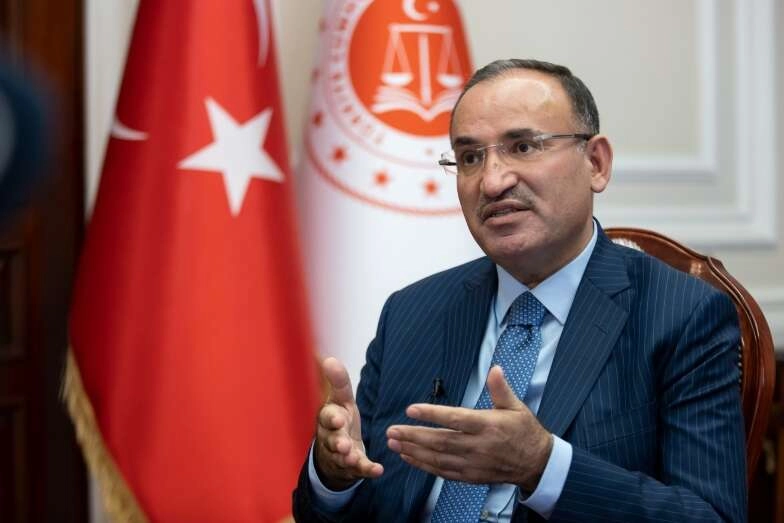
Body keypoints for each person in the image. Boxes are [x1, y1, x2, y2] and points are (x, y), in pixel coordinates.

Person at [292, 59, 746, 522]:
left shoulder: (682, 317)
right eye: (470, 158)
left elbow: (712, 517)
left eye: (523, 147)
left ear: (596, 163)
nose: (492, 182)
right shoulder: (411, 313)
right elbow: (364, 503)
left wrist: (543, 468)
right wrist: (334, 478)